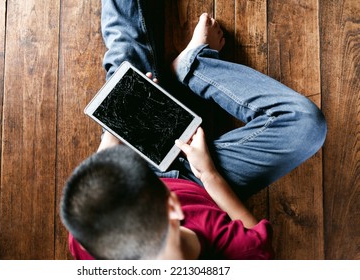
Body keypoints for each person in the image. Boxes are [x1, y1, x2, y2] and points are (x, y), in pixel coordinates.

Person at [60, 0, 327, 260]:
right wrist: (208, 173)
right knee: (305, 126)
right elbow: (250, 232)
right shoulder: (242, 254)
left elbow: (99, 179)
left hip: (135, 165)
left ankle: (170, 83)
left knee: (125, 60)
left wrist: (116, 128)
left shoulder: (91, 238)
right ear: (173, 206)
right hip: (202, 180)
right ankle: (192, 67)